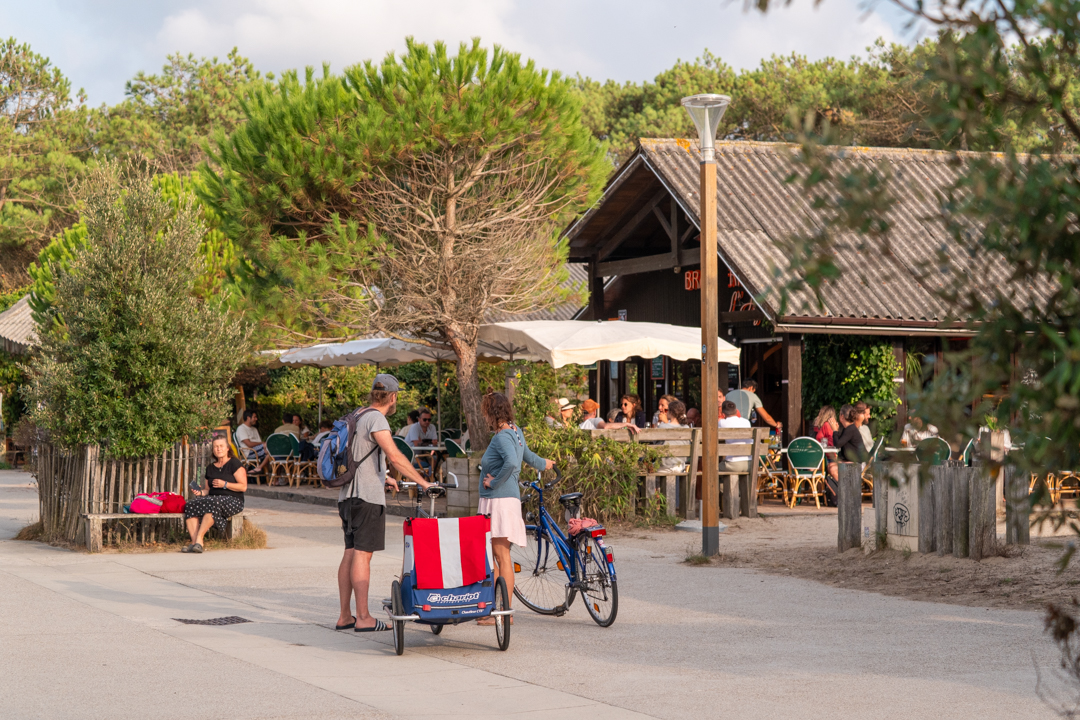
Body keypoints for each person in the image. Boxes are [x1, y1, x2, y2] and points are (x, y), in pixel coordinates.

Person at [336, 374, 433, 633]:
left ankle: (345, 616)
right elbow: (395, 456)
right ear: (392, 397)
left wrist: (384, 477)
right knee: (362, 555)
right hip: (366, 497)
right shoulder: (377, 419)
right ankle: (364, 617)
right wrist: (424, 483)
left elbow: (360, 456)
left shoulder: (358, 414)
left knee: (350, 552)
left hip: (347, 496)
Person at [476, 391, 554, 626]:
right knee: (498, 556)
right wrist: (545, 463)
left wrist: (493, 482)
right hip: (505, 500)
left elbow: (511, 462)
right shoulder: (515, 431)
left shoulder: (502, 436)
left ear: (492, 413)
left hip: (498, 500)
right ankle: (497, 610)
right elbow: (527, 456)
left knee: (500, 556)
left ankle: (503, 613)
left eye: (485, 412)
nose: (484, 417)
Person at [182, 435, 247, 553]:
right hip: (213, 499)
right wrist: (200, 492)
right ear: (213, 450)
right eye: (216, 447)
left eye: (221, 446)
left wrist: (225, 484)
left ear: (227, 448)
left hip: (233, 500)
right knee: (190, 505)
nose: (218, 449)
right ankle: (195, 543)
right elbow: (208, 490)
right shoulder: (210, 468)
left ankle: (199, 539)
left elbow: (243, 486)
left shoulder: (234, 463)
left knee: (213, 503)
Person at [718, 400, 752, 473]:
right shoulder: (746, 422)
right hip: (749, 463)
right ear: (736, 411)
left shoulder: (722, 422)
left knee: (711, 470)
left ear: (723, 414)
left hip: (733, 463)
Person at [235, 409, 269, 474]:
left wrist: (263, 444)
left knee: (272, 450)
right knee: (269, 447)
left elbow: (260, 443)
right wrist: (263, 443)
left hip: (258, 450)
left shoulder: (254, 429)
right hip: (249, 452)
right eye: (254, 417)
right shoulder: (241, 428)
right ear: (248, 418)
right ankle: (260, 469)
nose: (256, 419)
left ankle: (259, 468)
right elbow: (249, 444)